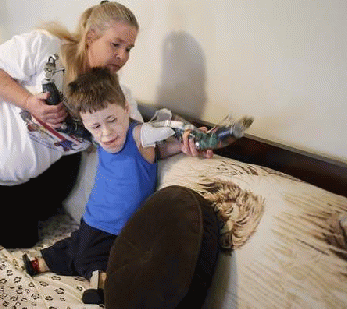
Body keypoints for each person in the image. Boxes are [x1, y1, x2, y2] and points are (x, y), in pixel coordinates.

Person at [0, 1, 144, 309]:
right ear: (90, 36)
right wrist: (30, 102)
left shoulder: (116, 97)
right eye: (116, 45)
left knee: (21, 236)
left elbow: (139, 131)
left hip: (5, 178)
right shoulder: (45, 47)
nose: (123, 57)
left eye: (129, 49)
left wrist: (182, 140)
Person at [22, 67, 213, 305]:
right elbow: (156, 154)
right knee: (75, 244)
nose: (106, 134)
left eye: (112, 120)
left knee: (95, 258)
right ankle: (42, 262)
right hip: (91, 218)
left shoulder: (138, 134)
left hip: (115, 229)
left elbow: (169, 130)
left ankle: (99, 286)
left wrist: (193, 136)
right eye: (95, 126)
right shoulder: (100, 135)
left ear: (126, 109)